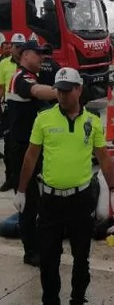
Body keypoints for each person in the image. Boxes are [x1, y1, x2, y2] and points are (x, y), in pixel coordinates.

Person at [14, 67, 114, 305]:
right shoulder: (44, 119)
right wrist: (22, 190)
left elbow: (104, 158)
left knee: (81, 259)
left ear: (78, 90)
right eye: (58, 90)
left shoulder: (92, 122)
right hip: (50, 202)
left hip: (80, 201)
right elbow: (31, 156)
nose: (61, 95)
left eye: (67, 90)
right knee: (48, 259)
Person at [6, 41, 57, 267]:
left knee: (38, 198)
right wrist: (64, 90)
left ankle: (38, 239)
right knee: (27, 199)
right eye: (38, 55)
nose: (42, 59)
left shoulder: (30, 75)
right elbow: (37, 92)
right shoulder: (22, 78)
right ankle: (30, 251)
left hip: (30, 147)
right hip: (20, 149)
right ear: (25, 55)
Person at [0, 34, 27, 192]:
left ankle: (21, 177)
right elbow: (1, 87)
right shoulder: (3, 64)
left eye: (20, 46)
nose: (17, 49)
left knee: (23, 145)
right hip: (8, 109)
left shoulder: (28, 63)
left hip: (24, 109)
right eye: (15, 46)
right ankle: (10, 177)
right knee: (9, 146)